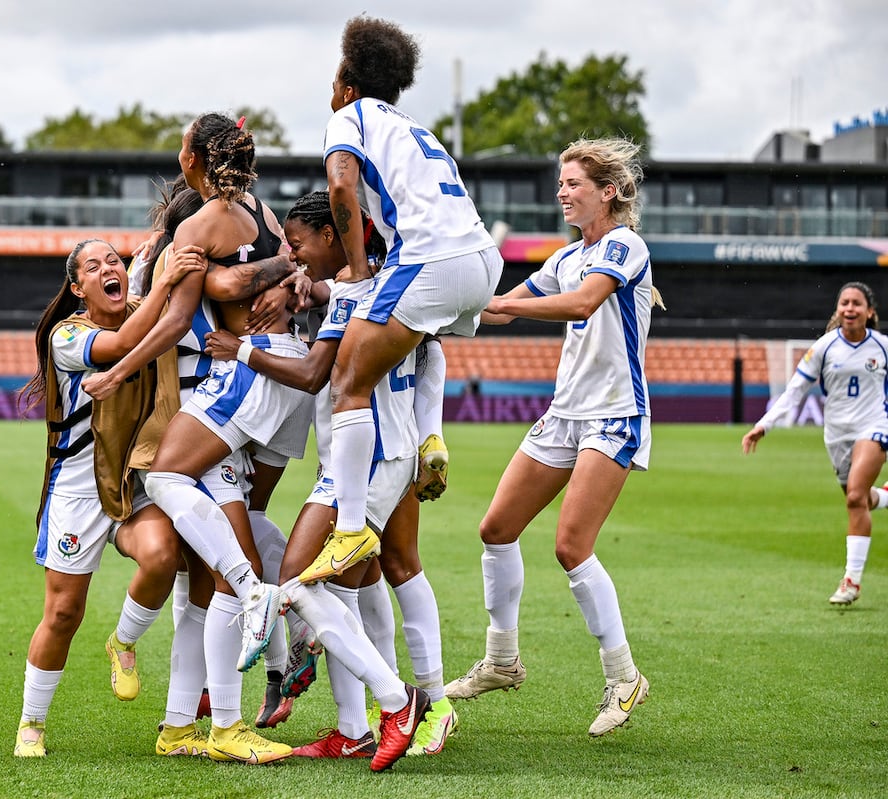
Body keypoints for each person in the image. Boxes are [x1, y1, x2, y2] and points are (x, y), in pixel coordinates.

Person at [83, 112, 309, 764]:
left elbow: (187, 307)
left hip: (206, 401)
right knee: (211, 583)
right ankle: (208, 721)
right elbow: (223, 284)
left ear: (194, 162)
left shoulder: (195, 230)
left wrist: (122, 363)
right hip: (202, 403)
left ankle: (187, 725)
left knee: (211, 585)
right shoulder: (251, 223)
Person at [206, 190, 440, 771]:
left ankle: (398, 703)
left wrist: (242, 351)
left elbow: (314, 374)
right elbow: (428, 351)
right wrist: (302, 286)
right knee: (344, 590)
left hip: (364, 462)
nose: (293, 253)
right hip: (379, 455)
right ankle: (355, 728)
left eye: (300, 242)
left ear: (335, 237)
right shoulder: (386, 287)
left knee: (299, 584)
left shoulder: (357, 293)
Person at [445, 138, 656, 738]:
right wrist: (437, 303)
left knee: (571, 546)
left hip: (614, 414)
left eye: (573, 184)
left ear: (607, 191)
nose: (562, 192)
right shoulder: (566, 257)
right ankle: (503, 661)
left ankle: (624, 677)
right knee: (496, 529)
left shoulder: (624, 246)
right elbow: (504, 306)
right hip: (566, 414)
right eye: (560, 184)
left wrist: (503, 308)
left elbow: (585, 305)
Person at [300, 15, 502, 585]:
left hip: (430, 258)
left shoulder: (349, 117)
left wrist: (360, 271)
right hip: (481, 259)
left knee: (347, 378)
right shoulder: (419, 130)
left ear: (346, 82)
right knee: (418, 337)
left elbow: (341, 186)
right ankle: (430, 432)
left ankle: (349, 528)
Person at [11, 238, 204, 758]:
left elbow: (170, 318)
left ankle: (122, 643)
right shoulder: (67, 336)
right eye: (93, 267)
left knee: (164, 555)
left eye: (113, 261)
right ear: (77, 288)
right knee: (63, 612)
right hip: (76, 491)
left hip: (134, 481)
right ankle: (32, 722)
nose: (107, 270)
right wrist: (159, 279)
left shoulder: (143, 310)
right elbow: (119, 350)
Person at [742, 281, 888, 606]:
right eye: (844, 303)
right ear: (838, 310)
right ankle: (885, 496)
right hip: (836, 435)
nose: (850, 308)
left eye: (857, 303)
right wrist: (764, 425)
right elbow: (794, 391)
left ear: (870, 312)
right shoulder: (824, 348)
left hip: (874, 427)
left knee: (853, 498)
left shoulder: (882, 346)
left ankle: (851, 581)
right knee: (862, 498)